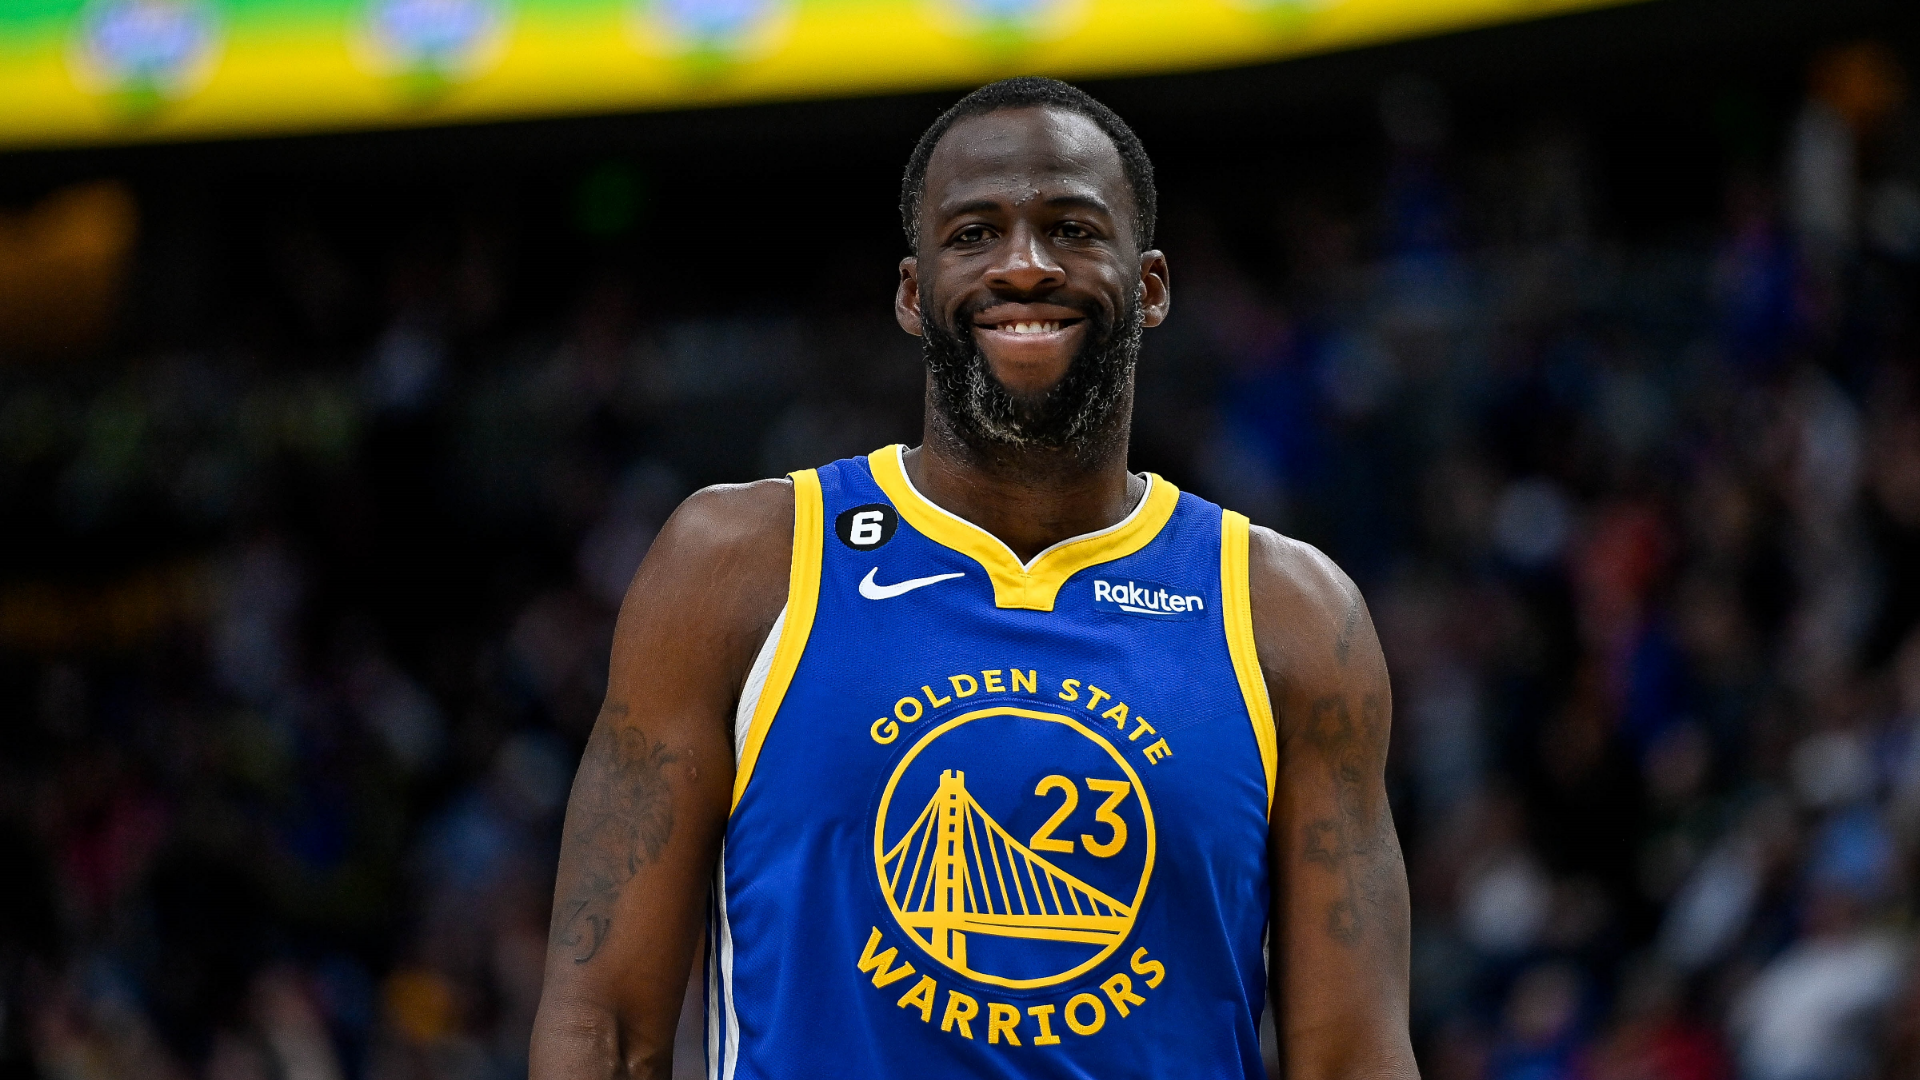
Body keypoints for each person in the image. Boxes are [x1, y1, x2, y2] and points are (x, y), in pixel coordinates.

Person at [529, 76, 1417, 1080]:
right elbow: (604, 1028)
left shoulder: (1292, 613)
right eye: (975, 234)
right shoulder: (736, 563)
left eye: (1072, 229)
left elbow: (1355, 1058)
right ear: (914, 295)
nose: (1025, 265)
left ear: (1152, 286)